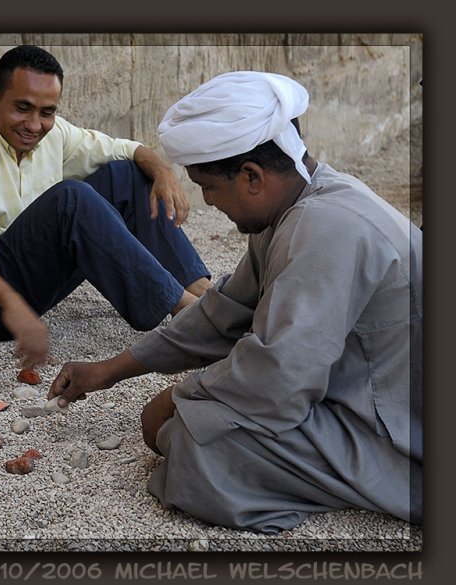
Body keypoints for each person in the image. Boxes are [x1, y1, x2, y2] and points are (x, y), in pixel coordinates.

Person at [48, 71, 422, 533]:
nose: (207, 201)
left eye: (208, 187)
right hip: (367, 394)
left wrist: (180, 395)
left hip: (403, 433)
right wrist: (108, 370)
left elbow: (279, 377)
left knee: (197, 447)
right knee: (185, 425)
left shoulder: (324, 227)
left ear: (251, 177)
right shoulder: (295, 207)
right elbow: (222, 314)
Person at [0, 45, 211, 369]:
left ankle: (205, 294)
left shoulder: (50, 133)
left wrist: (162, 171)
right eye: (22, 108)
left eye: (46, 112)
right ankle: (188, 312)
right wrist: (11, 303)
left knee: (125, 172)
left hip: (27, 283)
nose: (34, 125)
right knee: (71, 199)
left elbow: (126, 150)